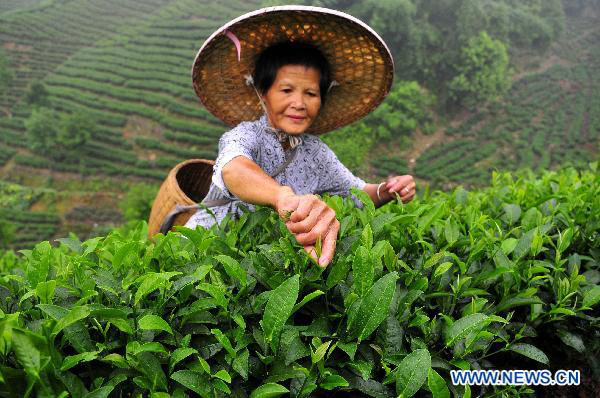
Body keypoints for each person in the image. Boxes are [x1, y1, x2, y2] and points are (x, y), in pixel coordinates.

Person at [185, 6, 416, 268]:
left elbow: (357, 193)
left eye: (311, 93)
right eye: (286, 90)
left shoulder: (316, 153)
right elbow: (235, 169)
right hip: (200, 257)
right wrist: (283, 197)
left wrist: (388, 190)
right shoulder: (245, 135)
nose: (299, 103)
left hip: (253, 266)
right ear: (263, 93)